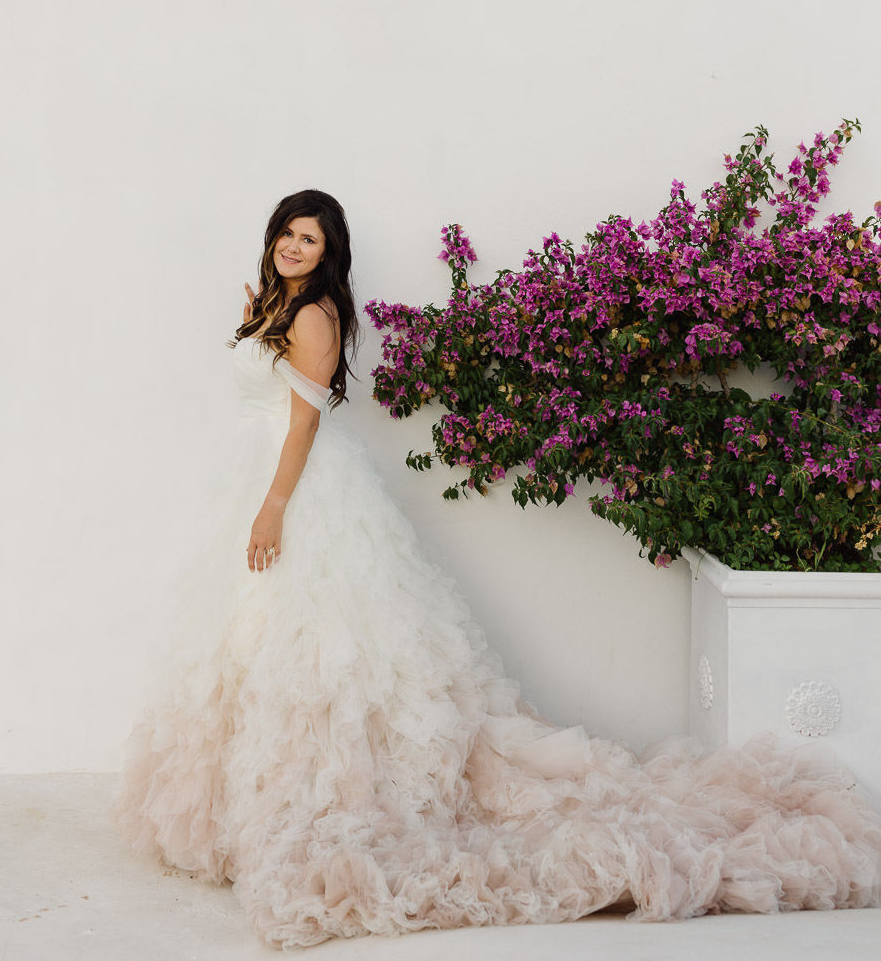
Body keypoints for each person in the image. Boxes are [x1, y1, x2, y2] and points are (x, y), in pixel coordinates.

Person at [117, 189, 881, 950]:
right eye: (287, 233)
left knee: (321, 652)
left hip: (296, 486)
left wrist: (275, 504)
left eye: (309, 241)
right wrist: (259, 320)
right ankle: (242, 803)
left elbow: (305, 419)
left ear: (328, 255)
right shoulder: (279, 305)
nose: (293, 247)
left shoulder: (315, 313)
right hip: (249, 476)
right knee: (251, 645)